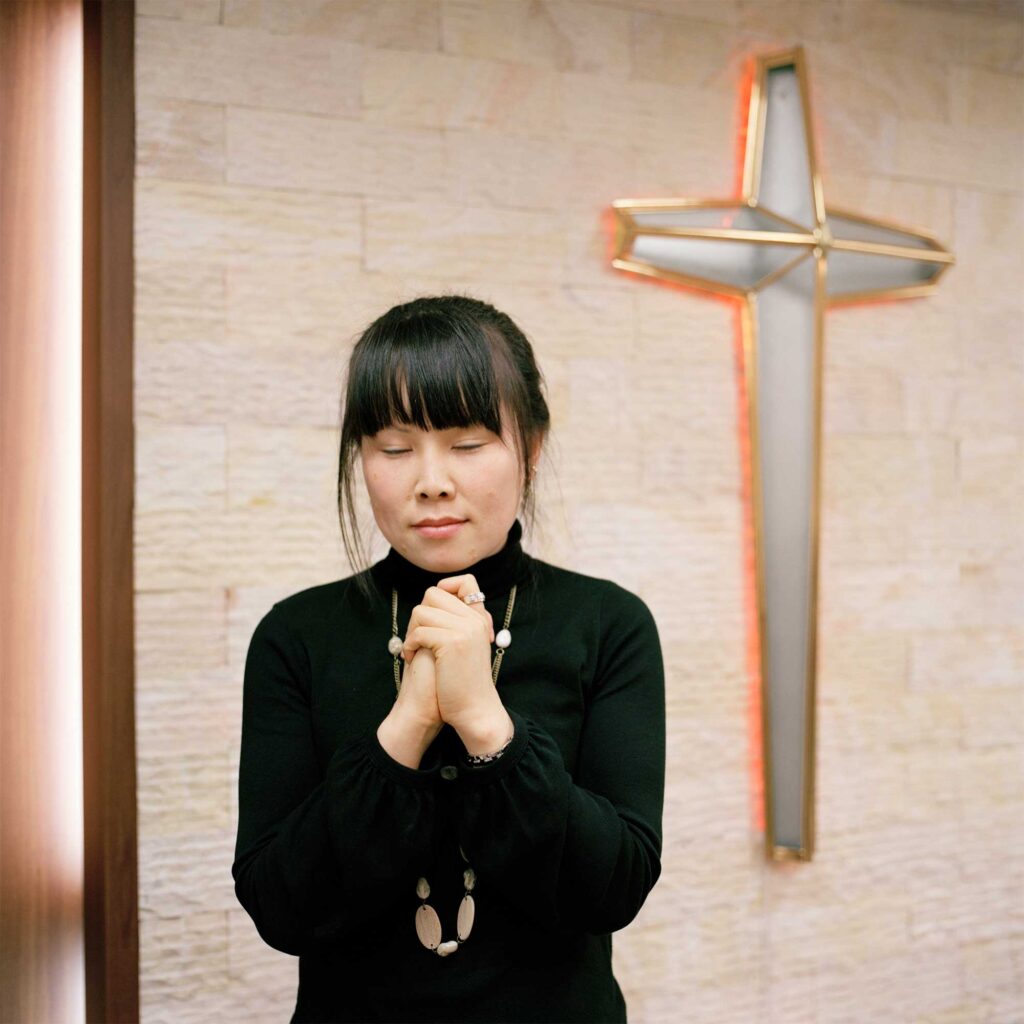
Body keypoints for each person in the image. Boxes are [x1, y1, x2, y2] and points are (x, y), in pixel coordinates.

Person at [232, 294, 666, 1023]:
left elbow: (613, 888)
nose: (431, 480)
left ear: (531, 445)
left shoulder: (609, 624)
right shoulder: (295, 635)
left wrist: (484, 722)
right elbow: (281, 907)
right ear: (361, 458)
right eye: (394, 448)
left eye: (467, 444)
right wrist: (407, 723)